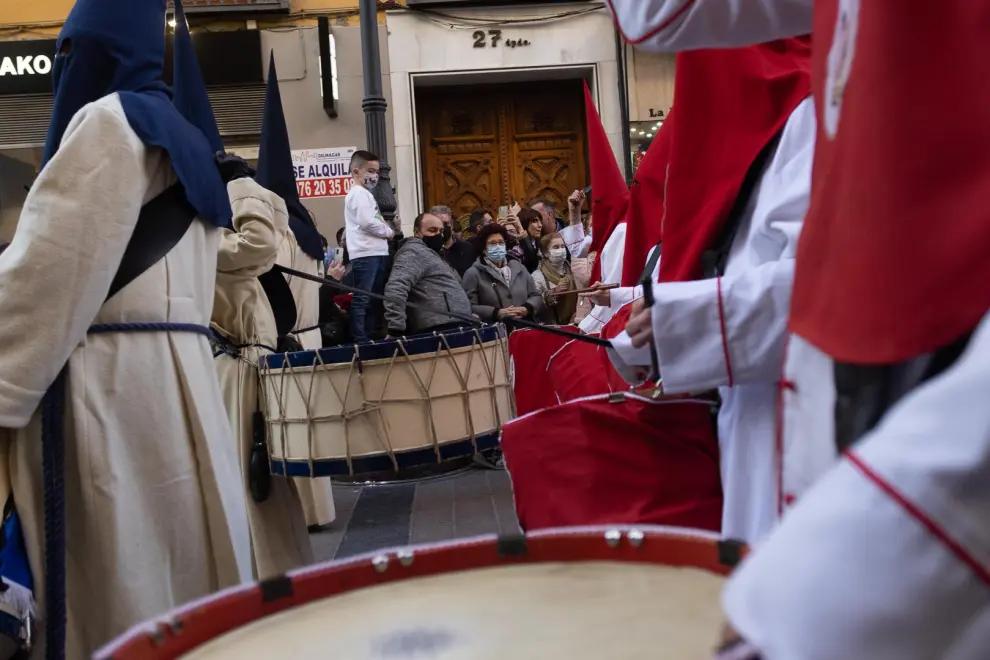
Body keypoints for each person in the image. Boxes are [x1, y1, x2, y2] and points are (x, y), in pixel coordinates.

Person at [610, 3, 990, 658]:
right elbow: (654, 16)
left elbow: (856, 273)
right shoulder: (827, 94)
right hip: (799, 434)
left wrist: (686, 323)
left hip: (899, 483)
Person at [0, 0, 254, 654]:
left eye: (69, 55)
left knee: (121, 587)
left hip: (107, 399)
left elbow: (43, 280)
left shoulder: (108, 123)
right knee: (185, 583)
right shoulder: (189, 141)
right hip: (180, 397)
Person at [608, 40, 815, 544]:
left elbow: (834, 286)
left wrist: (683, 322)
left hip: (805, 425)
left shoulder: (813, 120)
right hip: (750, 409)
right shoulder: (761, 134)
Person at [384, 212, 474, 336]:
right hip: (438, 327)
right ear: (417, 232)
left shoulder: (434, 254)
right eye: (432, 230)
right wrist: (396, 328)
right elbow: (396, 287)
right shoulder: (413, 252)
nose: (438, 235)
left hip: (455, 323)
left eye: (441, 231)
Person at [344, 150, 393, 342]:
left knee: (373, 297)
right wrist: (388, 232)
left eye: (377, 172)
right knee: (364, 297)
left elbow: (375, 219)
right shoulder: (358, 194)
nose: (375, 176)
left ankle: (370, 334)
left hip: (373, 252)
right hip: (366, 253)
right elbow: (368, 222)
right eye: (370, 171)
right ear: (356, 172)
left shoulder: (364, 194)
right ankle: (360, 338)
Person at [462, 223, 542, 326]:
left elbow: (535, 295)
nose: (498, 246)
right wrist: (496, 312)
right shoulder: (473, 273)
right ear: (484, 248)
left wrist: (526, 308)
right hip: (495, 332)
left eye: (501, 242)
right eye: (492, 243)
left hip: (525, 326)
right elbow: (470, 306)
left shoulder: (519, 267)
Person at [532, 233, 581, 325]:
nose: (561, 250)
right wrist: (555, 292)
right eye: (556, 247)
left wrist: (580, 312)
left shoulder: (574, 270)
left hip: (577, 320)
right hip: (553, 325)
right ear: (546, 253)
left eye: (563, 246)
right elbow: (536, 304)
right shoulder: (538, 276)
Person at [430, 204, 475, 277]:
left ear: (451, 224)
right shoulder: (428, 250)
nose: (442, 227)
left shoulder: (467, 248)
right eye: (437, 224)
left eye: (445, 223)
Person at [516, 208, 543, 273]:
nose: (540, 225)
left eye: (540, 222)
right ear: (524, 223)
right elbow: (532, 262)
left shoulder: (538, 242)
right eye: (535, 221)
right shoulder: (516, 245)